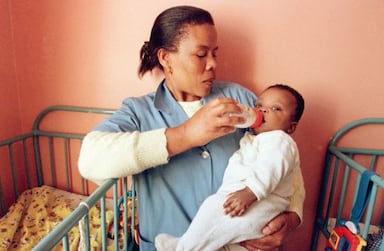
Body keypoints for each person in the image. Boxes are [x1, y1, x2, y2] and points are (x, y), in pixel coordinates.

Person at [78, 5, 305, 251]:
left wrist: (293, 217)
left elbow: (284, 161)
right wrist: (185, 135)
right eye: (201, 54)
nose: (212, 64)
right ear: (165, 58)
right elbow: (89, 161)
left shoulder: (241, 99)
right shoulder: (138, 112)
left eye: (214, 54)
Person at [154, 84, 304, 251]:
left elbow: (271, 170)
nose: (263, 111)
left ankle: (184, 247)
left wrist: (250, 192)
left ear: (291, 127)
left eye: (276, 108)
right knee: (225, 241)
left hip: (260, 202)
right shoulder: (255, 138)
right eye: (259, 105)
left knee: (213, 207)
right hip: (249, 204)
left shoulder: (279, 140)